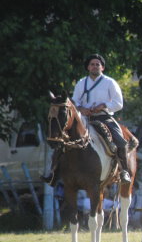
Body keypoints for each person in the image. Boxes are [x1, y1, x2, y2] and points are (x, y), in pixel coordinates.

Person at [42, 54, 132, 186]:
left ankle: (124, 171)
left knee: (120, 141)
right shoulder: (81, 83)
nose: (95, 66)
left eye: (97, 64)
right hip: (83, 118)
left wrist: (104, 105)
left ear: (102, 67)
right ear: (88, 67)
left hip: (104, 117)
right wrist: (81, 109)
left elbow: (119, 103)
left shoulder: (110, 82)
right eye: (92, 64)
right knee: (63, 140)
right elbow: (75, 101)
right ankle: (54, 172)